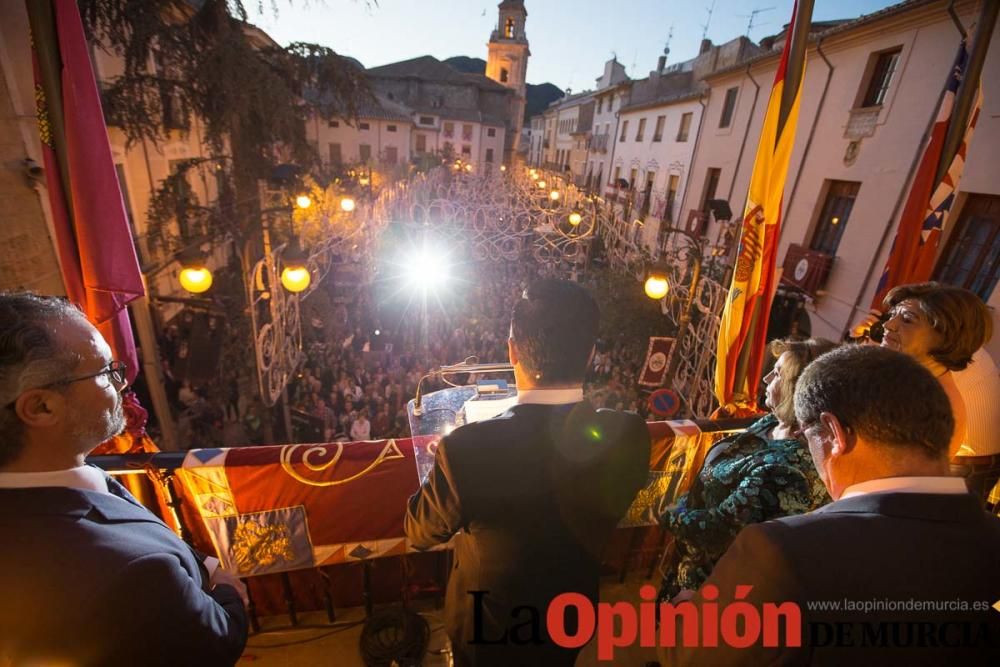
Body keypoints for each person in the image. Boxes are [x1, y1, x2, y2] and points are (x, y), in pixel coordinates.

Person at [661, 346, 1000, 666]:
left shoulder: (779, 551)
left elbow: (691, 659)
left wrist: (691, 617)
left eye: (809, 439)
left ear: (834, 434)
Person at [405, 279, 651, 667]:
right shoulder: (631, 435)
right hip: (570, 615)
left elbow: (420, 531)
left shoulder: (467, 448)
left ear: (512, 350)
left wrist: (440, 470)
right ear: (589, 355)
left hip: (489, 628)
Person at [0, 293, 248, 666]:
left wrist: (204, 565)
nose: (122, 384)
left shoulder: (56, 476)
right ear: (41, 407)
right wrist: (228, 588)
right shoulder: (134, 572)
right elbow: (218, 638)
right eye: (104, 372)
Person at [657, 337, 835, 602]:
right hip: (687, 566)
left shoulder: (790, 467)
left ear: (797, 388)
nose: (765, 379)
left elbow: (719, 531)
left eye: (776, 374)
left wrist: (665, 511)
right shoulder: (772, 422)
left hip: (713, 593)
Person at [880, 281, 992, 458]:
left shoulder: (939, 412)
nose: (888, 325)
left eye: (907, 320)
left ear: (946, 337)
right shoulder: (899, 374)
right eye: (892, 315)